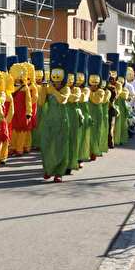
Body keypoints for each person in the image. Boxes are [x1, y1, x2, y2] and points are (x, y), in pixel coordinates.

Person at [40, 42, 71, 183]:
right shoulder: (49, 87)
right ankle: (48, 169)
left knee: (60, 147)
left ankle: (59, 172)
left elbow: (62, 100)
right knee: (47, 146)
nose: (56, 82)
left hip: (62, 121)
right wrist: (43, 90)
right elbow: (41, 103)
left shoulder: (66, 89)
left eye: (58, 79)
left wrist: (52, 91)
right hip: (49, 121)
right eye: (54, 79)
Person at [65, 49, 82, 175]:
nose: (70, 81)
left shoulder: (78, 90)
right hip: (61, 116)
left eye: (72, 78)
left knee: (72, 141)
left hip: (74, 116)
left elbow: (71, 98)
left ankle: (71, 163)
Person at [87, 55, 104, 161]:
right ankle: (87, 151)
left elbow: (96, 101)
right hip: (88, 112)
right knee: (87, 133)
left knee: (95, 132)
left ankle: (94, 151)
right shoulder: (88, 89)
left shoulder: (101, 91)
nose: (93, 85)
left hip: (97, 113)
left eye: (95, 83)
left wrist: (89, 92)